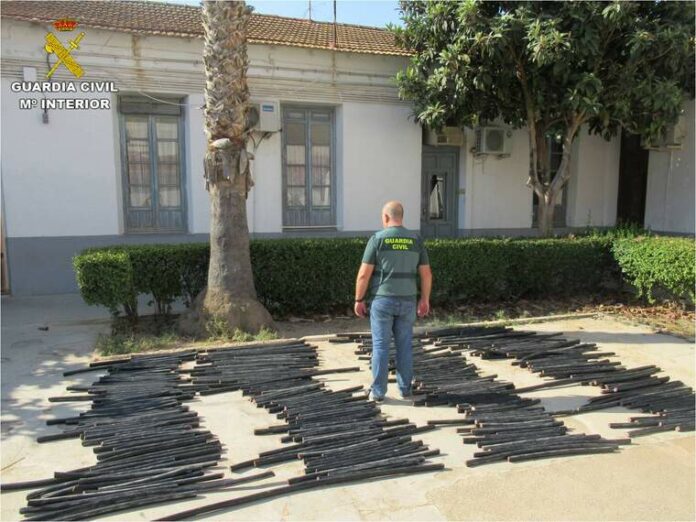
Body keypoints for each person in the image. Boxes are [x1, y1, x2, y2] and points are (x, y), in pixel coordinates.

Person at [353, 201, 432, 402]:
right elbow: (426, 274)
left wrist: (359, 299)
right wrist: (424, 299)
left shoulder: (377, 239)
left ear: (386, 217)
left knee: (381, 346)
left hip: (382, 301)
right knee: (404, 346)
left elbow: (363, 275)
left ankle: (378, 392)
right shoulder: (415, 240)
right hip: (408, 301)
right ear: (401, 216)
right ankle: (405, 389)